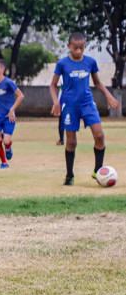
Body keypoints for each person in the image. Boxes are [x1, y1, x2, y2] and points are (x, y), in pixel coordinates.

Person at [49, 32, 120, 185]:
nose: (79, 51)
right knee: (71, 142)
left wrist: (109, 96)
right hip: (69, 105)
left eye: (82, 48)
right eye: (75, 48)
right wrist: (56, 102)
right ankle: (69, 175)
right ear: (69, 47)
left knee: (99, 136)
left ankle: (98, 171)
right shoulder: (62, 64)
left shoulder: (90, 62)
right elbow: (53, 85)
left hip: (87, 103)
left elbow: (98, 83)